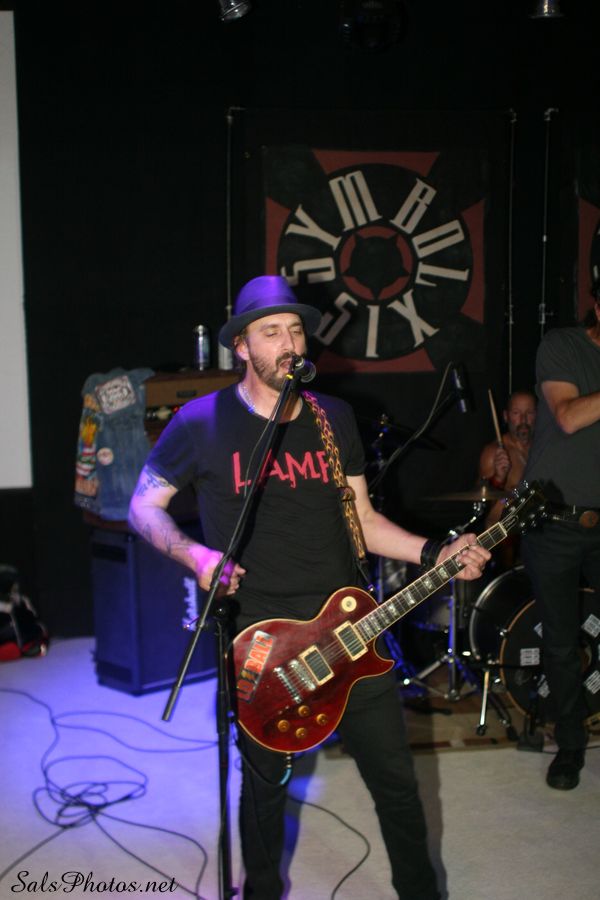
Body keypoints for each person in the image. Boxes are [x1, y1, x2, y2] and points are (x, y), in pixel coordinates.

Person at [128, 275, 490, 899]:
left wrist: (436, 551)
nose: (289, 343)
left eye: (295, 330)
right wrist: (195, 554)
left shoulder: (334, 418)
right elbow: (143, 506)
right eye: (271, 332)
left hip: (351, 628)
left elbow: (363, 520)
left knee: (396, 783)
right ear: (242, 346)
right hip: (261, 639)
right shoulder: (201, 422)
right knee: (264, 790)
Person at [521, 287, 600, 791]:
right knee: (561, 641)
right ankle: (570, 745)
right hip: (555, 521)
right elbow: (568, 415)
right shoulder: (563, 344)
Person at [478, 390, 537, 525]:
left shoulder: (543, 449)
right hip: (507, 534)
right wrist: (498, 479)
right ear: (506, 416)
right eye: (516, 413)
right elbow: (485, 511)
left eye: (530, 413)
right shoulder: (493, 453)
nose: (523, 420)